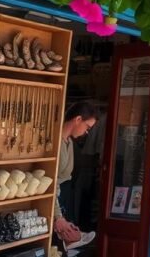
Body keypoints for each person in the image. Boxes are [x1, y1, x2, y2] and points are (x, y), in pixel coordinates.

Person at [54, 102, 98, 254]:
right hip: (55, 198)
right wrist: (57, 215)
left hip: (64, 197)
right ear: (78, 119)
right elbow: (51, 181)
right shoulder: (56, 142)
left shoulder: (70, 143)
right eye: (87, 127)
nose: (87, 132)